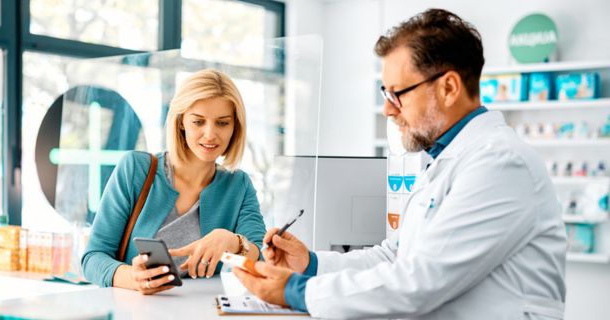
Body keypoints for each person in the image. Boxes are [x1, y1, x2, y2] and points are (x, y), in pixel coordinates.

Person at [233, 8, 567, 319]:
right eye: (385, 94)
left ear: (449, 87)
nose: (388, 110)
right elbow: (395, 256)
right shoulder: (445, 160)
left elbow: (420, 280)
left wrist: (295, 291)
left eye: (398, 93)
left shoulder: (501, 164)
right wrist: (311, 264)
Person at [82, 69, 266, 294]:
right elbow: (92, 258)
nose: (210, 134)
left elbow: (261, 259)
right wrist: (133, 278)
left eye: (222, 123)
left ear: (235, 126)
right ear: (181, 122)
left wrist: (233, 242)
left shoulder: (238, 186)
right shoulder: (135, 169)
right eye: (198, 122)